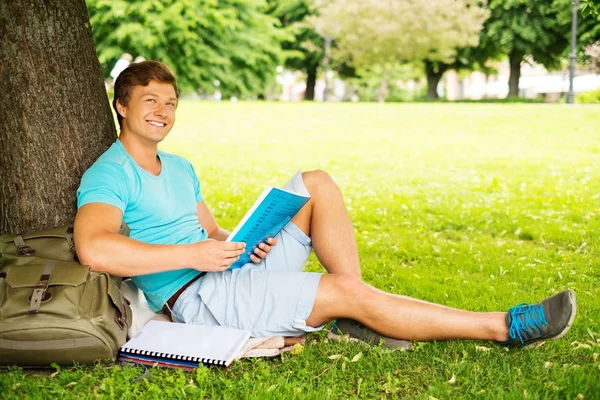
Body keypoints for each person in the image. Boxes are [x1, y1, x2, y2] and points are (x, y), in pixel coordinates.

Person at [74, 61, 576, 351]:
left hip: (224, 272)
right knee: (338, 289)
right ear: (122, 105)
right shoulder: (110, 173)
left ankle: (356, 305)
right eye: (150, 101)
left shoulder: (180, 166)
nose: (163, 112)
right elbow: (94, 248)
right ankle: (504, 326)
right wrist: (195, 257)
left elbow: (210, 232)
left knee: (315, 183)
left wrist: (241, 241)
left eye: (171, 102)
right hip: (198, 300)